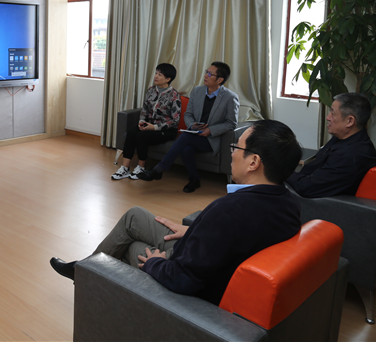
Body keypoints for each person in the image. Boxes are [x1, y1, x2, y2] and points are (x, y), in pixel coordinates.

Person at [50, 119, 302, 305]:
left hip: (189, 278)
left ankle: (92, 285)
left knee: (130, 248)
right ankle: (83, 269)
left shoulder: (228, 211)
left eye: (236, 147)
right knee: (134, 216)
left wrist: (156, 263)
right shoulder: (288, 203)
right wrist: (196, 230)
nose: (232, 153)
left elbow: (184, 280)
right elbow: (236, 238)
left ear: (253, 162)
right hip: (203, 256)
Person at [138, 62, 239, 193]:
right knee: (186, 149)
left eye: (210, 74)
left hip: (211, 138)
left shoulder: (230, 98)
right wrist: (192, 125)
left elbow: (231, 123)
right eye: (206, 72)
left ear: (220, 79)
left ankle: (159, 169)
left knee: (186, 137)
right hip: (194, 133)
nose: (205, 75)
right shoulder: (197, 91)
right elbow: (188, 114)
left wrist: (209, 130)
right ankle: (194, 180)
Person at [286, 92, 376, 198]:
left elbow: (307, 187)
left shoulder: (351, 156)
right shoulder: (345, 138)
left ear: (350, 121)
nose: (328, 117)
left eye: (333, 113)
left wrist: (280, 171)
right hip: (306, 179)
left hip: (310, 200)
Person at [112, 63, 181, 180]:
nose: (156, 76)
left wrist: (154, 127)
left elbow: (175, 120)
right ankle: (125, 168)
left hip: (167, 130)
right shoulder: (151, 90)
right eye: (156, 73)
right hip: (149, 124)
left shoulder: (174, 95)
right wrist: (142, 121)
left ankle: (141, 167)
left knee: (141, 136)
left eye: (160, 75)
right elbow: (144, 109)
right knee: (131, 133)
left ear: (168, 79)